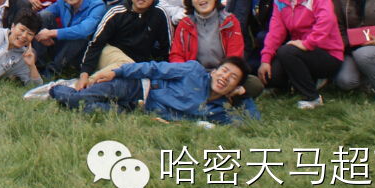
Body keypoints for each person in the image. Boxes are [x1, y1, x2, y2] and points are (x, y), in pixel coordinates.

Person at [51, 57, 258, 125]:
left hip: (135, 111)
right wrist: (117, 72)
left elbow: (253, 124)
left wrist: (244, 96)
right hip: (136, 87)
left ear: (235, 87)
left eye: (233, 78)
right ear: (213, 72)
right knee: (77, 100)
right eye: (224, 71)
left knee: (89, 109)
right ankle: (56, 89)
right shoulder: (193, 70)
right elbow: (154, 68)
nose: (225, 78)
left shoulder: (217, 111)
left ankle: (69, 92)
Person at [258, 0, 344, 109]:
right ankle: (299, 83)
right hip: (299, 52)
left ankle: (312, 97)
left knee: (286, 51)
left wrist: (307, 43)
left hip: (327, 53)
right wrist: (265, 59)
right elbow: (275, 32)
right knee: (272, 76)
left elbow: (326, 21)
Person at [170, 0, 264, 100]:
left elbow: (235, 57)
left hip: (223, 76)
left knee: (254, 84)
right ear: (191, 1)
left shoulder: (230, 21)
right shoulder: (184, 25)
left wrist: (220, 76)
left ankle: (206, 97)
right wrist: (189, 73)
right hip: (195, 76)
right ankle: (222, 98)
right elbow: (176, 56)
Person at [75, 0, 172, 88]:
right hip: (109, 54)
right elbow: (95, 44)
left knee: (130, 76)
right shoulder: (117, 12)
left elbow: (168, 48)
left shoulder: (160, 14)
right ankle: (79, 87)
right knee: (128, 66)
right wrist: (84, 75)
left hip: (135, 65)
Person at [35, 0, 107, 77]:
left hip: (83, 54)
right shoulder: (62, 1)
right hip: (64, 47)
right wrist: (41, 31)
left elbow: (84, 30)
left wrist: (50, 33)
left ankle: (53, 70)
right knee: (44, 16)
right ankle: (38, 66)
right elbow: (40, 16)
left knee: (80, 35)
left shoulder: (97, 5)